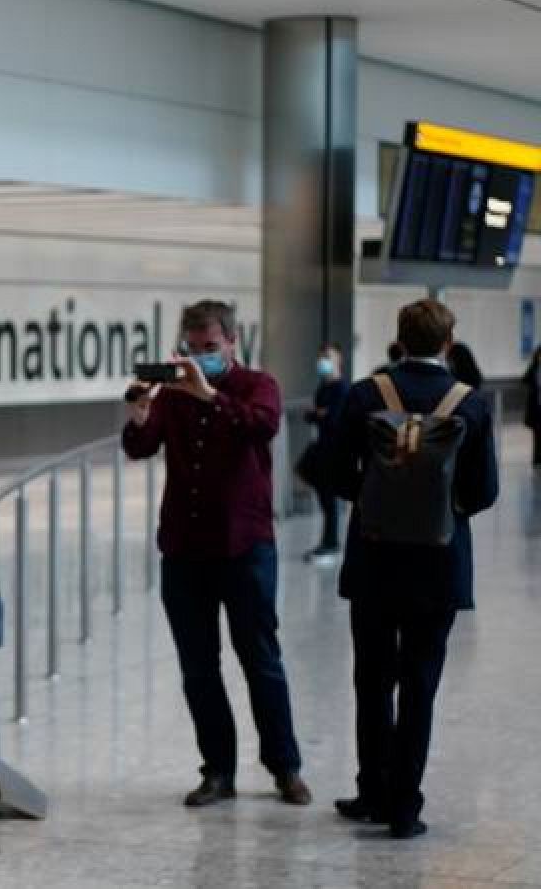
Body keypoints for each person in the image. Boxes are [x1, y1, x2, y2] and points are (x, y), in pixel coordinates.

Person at [122, 300, 310, 808]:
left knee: (260, 659)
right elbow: (140, 447)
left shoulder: (258, 385)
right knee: (198, 667)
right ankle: (218, 770)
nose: (201, 357)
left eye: (210, 348)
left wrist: (210, 396)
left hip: (245, 548)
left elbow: (262, 426)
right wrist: (139, 416)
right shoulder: (173, 395)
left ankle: (285, 766)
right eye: (193, 348)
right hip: (184, 551)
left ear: (231, 342)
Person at [331, 299, 499, 839]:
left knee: (372, 679)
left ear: (398, 339)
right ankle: (405, 807)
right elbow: (485, 491)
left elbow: (331, 469)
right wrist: (446, 509)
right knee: (419, 684)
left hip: (375, 561)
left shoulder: (366, 394)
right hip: (439, 565)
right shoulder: (468, 403)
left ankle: (372, 791)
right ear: (449, 344)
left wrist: (373, 500)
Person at [302, 343, 347, 564]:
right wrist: (319, 414)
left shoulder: (341, 389)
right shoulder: (323, 388)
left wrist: (320, 414)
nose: (323, 361)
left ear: (339, 361)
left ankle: (331, 542)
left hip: (334, 449)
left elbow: (334, 418)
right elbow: (315, 415)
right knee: (313, 479)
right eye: (321, 357)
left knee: (329, 499)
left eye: (328, 357)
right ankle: (329, 542)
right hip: (322, 447)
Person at [523, 345, 541, 467]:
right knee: (537, 434)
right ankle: (537, 458)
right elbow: (525, 379)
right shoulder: (534, 369)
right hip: (537, 407)